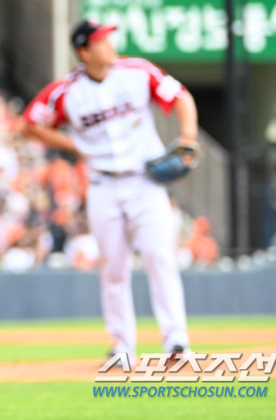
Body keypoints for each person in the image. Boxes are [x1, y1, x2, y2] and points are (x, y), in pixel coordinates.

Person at [21, 20, 198, 366]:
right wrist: (72, 144)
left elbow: (181, 96)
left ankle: (176, 340)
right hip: (102, 184)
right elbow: (30, 123)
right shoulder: (66, 91)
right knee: (113, 267)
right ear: (84, 51)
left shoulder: (136, 71)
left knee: (160, 258)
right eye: (102, 41)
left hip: (146, 182)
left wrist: (188, 136)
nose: (110, 44)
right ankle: (122, 345)